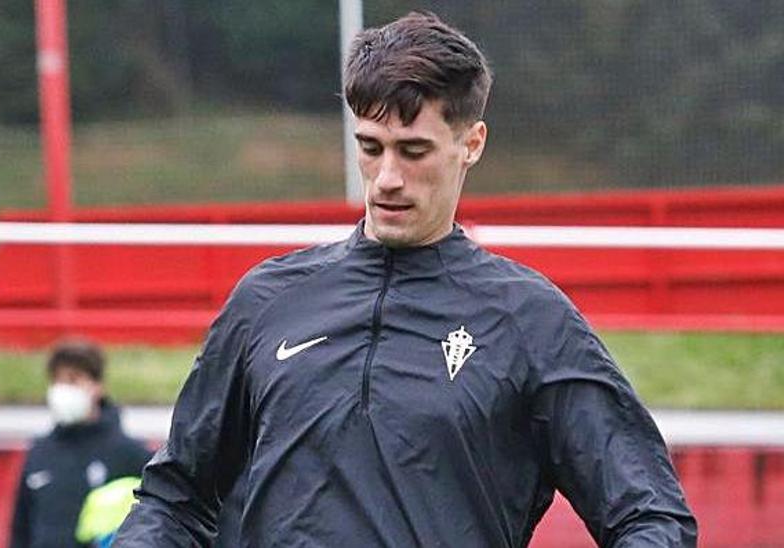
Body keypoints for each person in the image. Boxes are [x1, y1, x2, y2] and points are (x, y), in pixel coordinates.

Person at [114, 11, 696, 547]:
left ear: (471, 144)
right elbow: (177, 498)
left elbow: (651, 517)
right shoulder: (268, 299)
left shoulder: (530, 320)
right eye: (371, 147)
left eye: (414, 150)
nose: (387, 177)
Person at [9, 339, 153, 548]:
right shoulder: (39, 453)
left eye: (73, 380)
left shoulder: (129, 454)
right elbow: (20, 531)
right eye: (57, 381)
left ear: (97, 386)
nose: (63, 389)